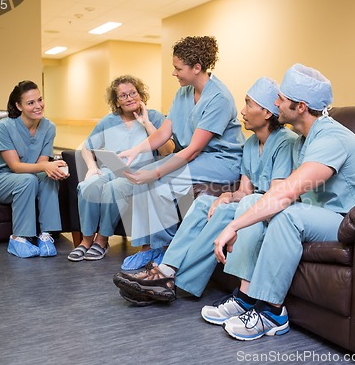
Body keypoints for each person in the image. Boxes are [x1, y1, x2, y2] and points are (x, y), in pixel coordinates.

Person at [200, 64, 355, 341]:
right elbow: (284, 195)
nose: (275, 103)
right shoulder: (302, 141)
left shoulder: (331, 139)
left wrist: (234, 226)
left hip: (352, 221)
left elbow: (287, 194)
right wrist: (247, 206)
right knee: (256, 201)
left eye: (281, 99)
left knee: (288, 215)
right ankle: (246, 298)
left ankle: (273, 313)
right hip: (322, 214)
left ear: (300, 107)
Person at [113, 77, 298, 305]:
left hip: (268, 208)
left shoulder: (285, 143)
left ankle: (172, 281)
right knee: (204, 203)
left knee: (221, 213)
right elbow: (243, 190)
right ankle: (165, 272)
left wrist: (232, 203)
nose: (242, 111)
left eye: (249, 104)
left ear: (268, 112)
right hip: (250, 201)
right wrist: (226, 196)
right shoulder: (250, 144)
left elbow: (274, 195)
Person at [117, 36, 245, 270]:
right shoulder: (184, 92)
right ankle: (150, 248)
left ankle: (166, 249)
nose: (174, 73)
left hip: (222, 160)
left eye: (178, 68)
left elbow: (194, 149)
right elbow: (164, 132)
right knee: (140, 177)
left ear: (197, 67)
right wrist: (135, 151)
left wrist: (155, 173)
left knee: (160, 182)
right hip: (197, 155)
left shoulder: (219, 98)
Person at [67, 75, 174, 262]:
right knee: (87, 187)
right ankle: (85, 241)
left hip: (140, 173)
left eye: (133, 93)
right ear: (116, 101)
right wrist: (92, 167)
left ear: (141, 95)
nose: (129, 98)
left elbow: (168, 150)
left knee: (113, 188)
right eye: (123, 96)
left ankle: (102, 240)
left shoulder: (156, 117)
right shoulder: (109, 121)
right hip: (111, 168)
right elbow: (87, 146)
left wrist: (147, 124)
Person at [0, 80, 69, 258]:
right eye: (31, 103)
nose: (38, 106)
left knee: (48, 176)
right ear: (18, 106)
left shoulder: (48, 127)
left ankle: (45, 236)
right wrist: (45, 166)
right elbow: (15, 166)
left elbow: (42, 164)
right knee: (29, 179)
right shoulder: (3, 127)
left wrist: (54, 169)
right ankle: (18, 238)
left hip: (29, 176)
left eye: (40, 100)